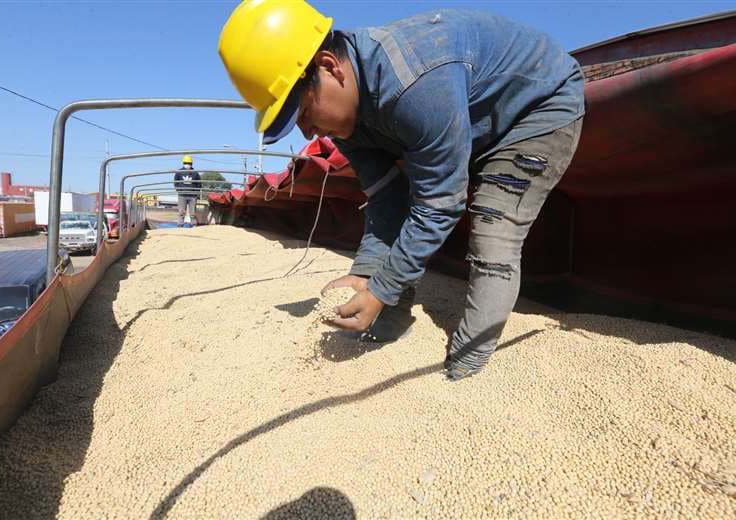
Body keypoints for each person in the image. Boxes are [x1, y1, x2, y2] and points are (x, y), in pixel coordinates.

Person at [218, 0, 585, 380]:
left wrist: (381, 288)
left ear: (328, 66)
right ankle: (387, 326)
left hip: (538, 110)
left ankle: (467, 367)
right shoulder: (348, 121)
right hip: (475, 114)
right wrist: (365, 275)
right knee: (384, 270)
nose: (307, 133)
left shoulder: (414, 83)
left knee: (494, 230)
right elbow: (386, 197)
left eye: (304, 113)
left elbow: (439, 204)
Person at [174, 155, 200, 227]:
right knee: (181, 211)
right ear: (183, 163)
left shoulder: (195, 173)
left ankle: (194, 224)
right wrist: (179, 190)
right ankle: (180, 224)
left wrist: (196, 192)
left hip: (193, 195)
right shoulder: (179, 172)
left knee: (193, 212)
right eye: (186, 163)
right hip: (182, 195)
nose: (187, 164)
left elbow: (199, 183)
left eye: (189, 163)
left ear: (191, 164)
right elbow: (176, 181)